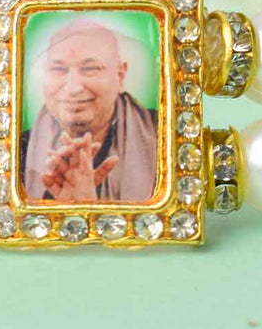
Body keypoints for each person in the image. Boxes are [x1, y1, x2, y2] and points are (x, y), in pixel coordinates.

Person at [21, 18, 159, 202]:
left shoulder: (162, 136)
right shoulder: (19, 150)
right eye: (58, 69)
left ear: (120, 75)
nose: (73, 88)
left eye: (90, 69)